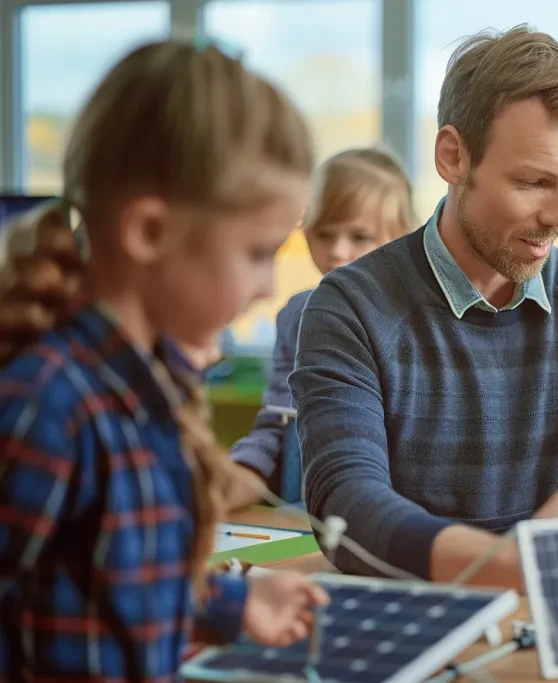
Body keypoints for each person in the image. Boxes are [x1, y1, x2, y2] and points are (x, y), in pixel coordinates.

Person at [289, 24, 558, 589]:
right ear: (452, 157)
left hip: (551, 624)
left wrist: (549, 559)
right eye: (533, 182)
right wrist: (508, 566)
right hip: (408, 626)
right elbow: (347, 510)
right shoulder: (349, 308)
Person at [0, 39, 329, 680]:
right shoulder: (46, 407)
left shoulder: (153, 390)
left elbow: (120, 579)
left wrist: (232, 602)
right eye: (259, 253)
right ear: (149, 231)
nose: (268, 286)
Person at [226, 147, 416, 508]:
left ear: (403, 237)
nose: (338, 252)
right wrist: (240, 472)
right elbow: (279, 421)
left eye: (360, 237)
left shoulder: (418, 320)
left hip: (391, 524)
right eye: (325, 235)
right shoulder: (296, 315)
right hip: (303, 521)